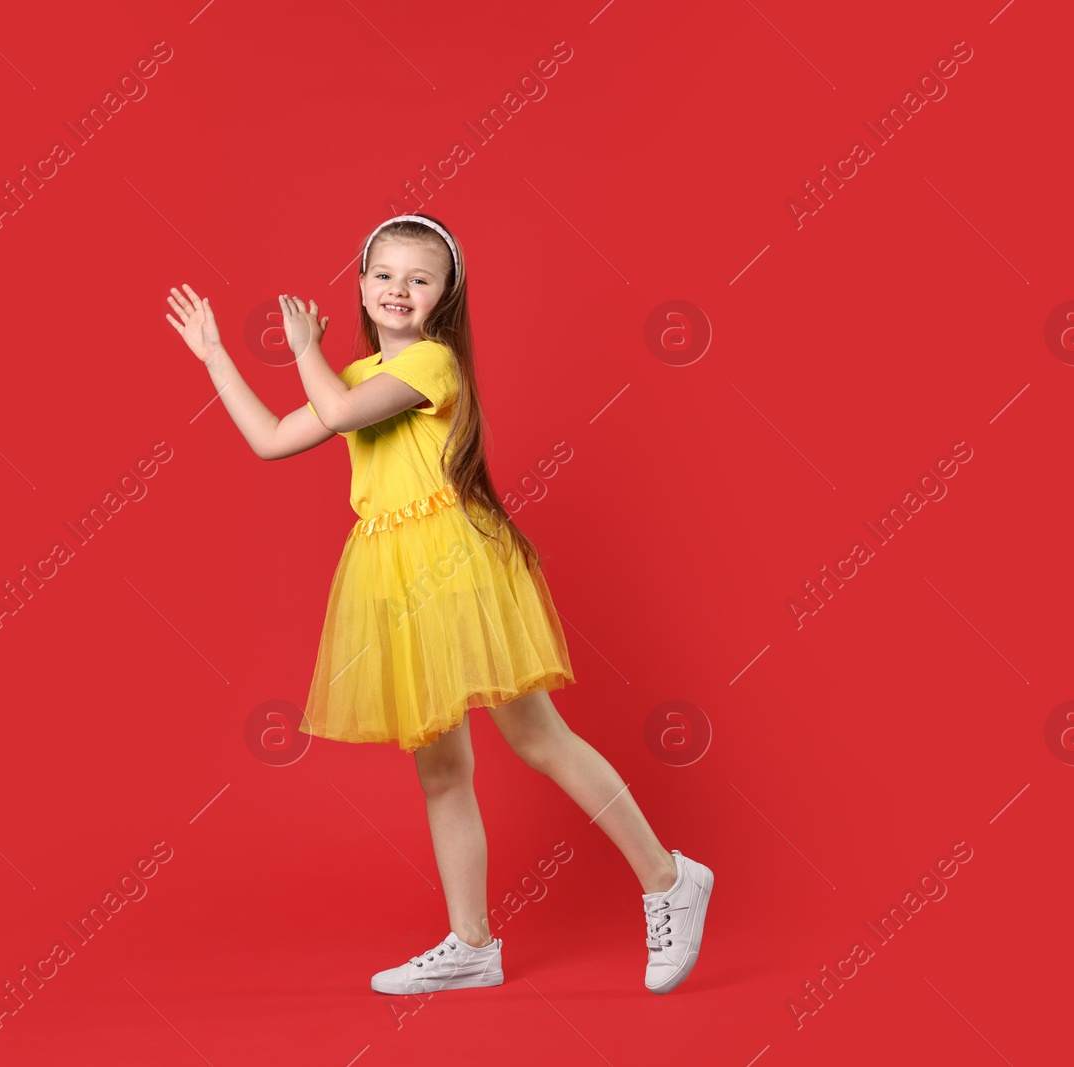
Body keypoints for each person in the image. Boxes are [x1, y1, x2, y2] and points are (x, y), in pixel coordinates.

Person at [164, 213, 714, 995]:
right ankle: (471, 943)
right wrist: (217, 355)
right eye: (384, 275)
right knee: (443, 769)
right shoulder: (350, 377)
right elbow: (272, 438)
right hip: (392, 574)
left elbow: (341, 412)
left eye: (419, 278)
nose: (398, 289)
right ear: (359, 286)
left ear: (443, 295)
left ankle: (668, 878)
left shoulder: (433, 364)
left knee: (537, 737)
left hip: (454, 564)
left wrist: (304, 349)